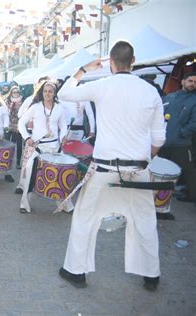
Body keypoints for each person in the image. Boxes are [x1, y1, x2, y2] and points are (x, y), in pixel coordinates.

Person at [57, 40, 166, 291]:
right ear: (133, 61)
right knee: (145, 221)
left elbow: (64, 93)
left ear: (111, 62)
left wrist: (85, 68)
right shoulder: (151, 91)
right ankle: (151, 275)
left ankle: (75, 272)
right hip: (138, 169)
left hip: (104, 169)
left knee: (85, 217)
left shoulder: (103, 85)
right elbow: (159, 138)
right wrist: (143, 159)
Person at [15, 81, 70, 213]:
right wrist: (27, 138)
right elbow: (21, 123)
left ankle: (65, 205)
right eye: (45, 91)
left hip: (55, 147)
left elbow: (63, 126)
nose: (47, 93)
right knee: (30, 176)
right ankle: (24, 204)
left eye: (50, 91)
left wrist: (63, 136)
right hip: (37, 148)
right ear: (42, 92)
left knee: (59, 177)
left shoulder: (60, 108)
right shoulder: (35, 107)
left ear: (54, 93)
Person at [158, 72, 196, 208]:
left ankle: (193, 196)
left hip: (182, 144)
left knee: (189, 171)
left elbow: (194, 123)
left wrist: (181, 133)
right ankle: (159, 199)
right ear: (183, 81)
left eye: (195, 82)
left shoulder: (194, 100)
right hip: (164, 143)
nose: (193, 84)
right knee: (162, 171)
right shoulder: (170, 97)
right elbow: (158, 116)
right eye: (190, 81)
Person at [5, 86, 24, 169]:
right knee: (8, 144)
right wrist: (11, 107)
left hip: (19, 126)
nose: (16, 94)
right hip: (9, 125)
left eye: (17, 92)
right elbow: (6, 113)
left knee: (19, 145)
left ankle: (18, 162)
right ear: (11, 93)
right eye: (14, 92)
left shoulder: (22, 101)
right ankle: (7, 161)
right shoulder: (8, 101)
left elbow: (25, 112)